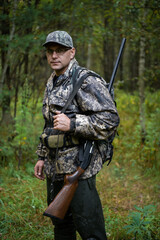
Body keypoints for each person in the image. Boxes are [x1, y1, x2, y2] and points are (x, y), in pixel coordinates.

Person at [34, 30, 120, 240]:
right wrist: (42, 156)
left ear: (72, 52)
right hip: (55, 168)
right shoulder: (52, 81)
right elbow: (49, 123)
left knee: (91, 233)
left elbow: (110, 120)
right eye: (50, 51)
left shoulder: (85, 81)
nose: (54, 55)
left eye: (60, 51)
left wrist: (72, 123)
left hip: (79, 169)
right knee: (61, 227)